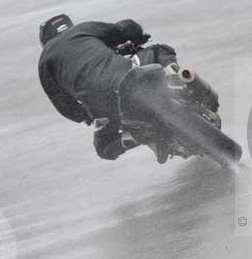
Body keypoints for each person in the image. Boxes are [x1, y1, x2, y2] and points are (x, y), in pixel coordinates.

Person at [37, 14, 178, 162]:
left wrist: (87, 116)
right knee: (159, 50)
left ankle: (141, 136)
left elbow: (62, 105)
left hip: (100, 105)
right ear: (69, 25)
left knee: (105, 147)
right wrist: (138, 36)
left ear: (44, 41)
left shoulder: (44, 62)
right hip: (125, 76)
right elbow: (125, 28)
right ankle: (176, 80)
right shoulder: (83, 29)